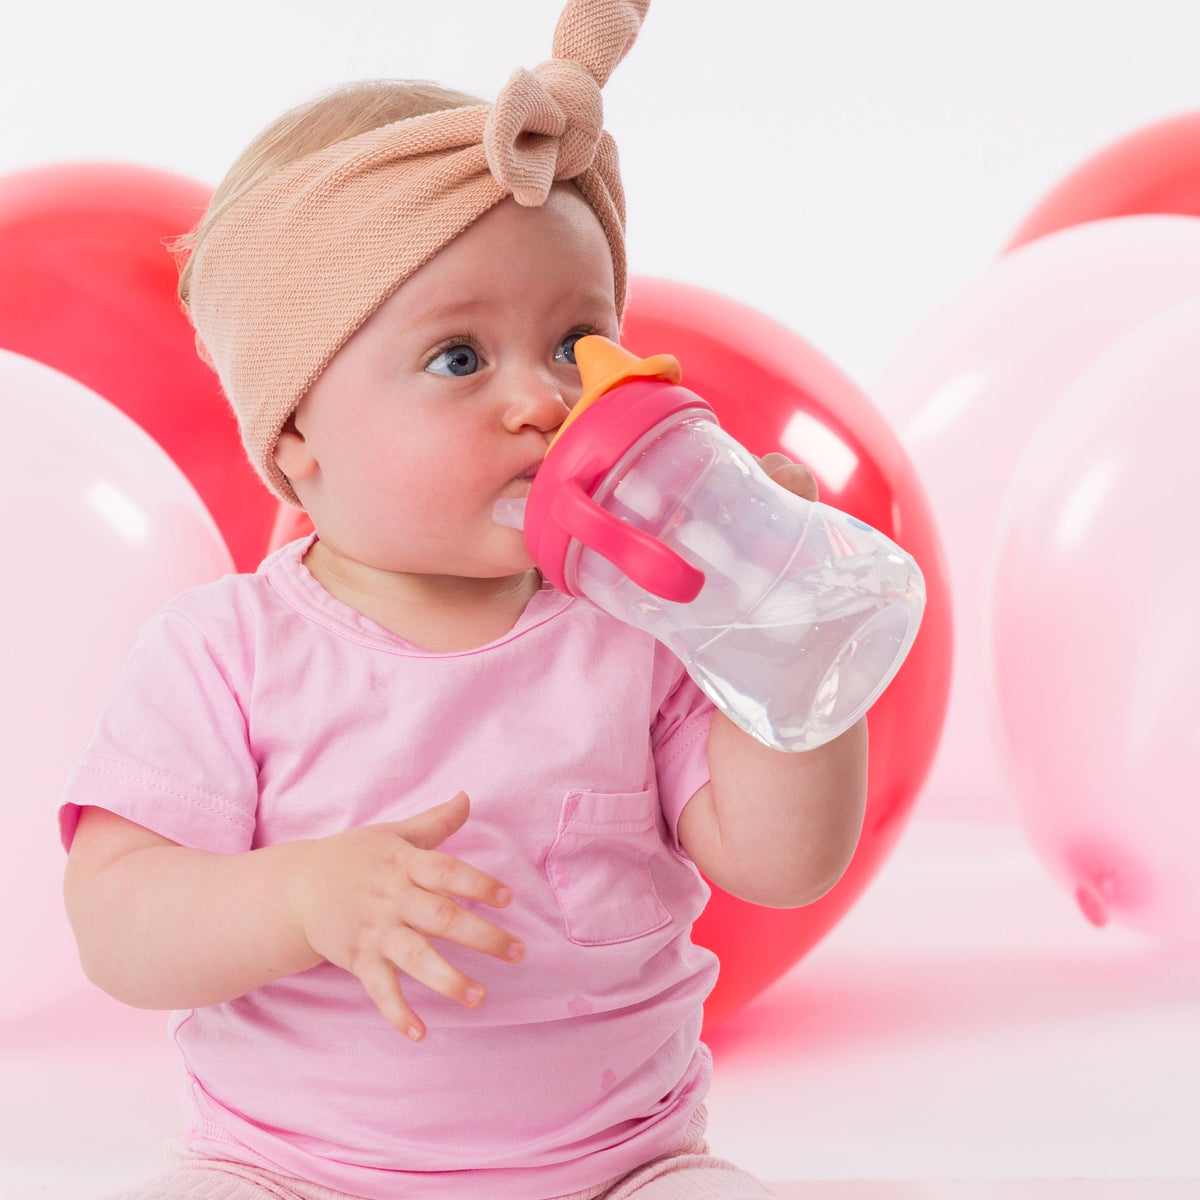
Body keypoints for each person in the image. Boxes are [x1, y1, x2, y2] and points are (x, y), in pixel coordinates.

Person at [60, 2, 868, 1197]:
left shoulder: (640, 625)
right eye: (459, 358)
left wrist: (781, 631)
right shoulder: (223, 652)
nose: (544, 401)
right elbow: (117, 923)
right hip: (290, 1171)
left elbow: (783, 862)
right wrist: (300, 895)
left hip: (616, 1170)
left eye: (576, 343)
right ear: (295, 435)